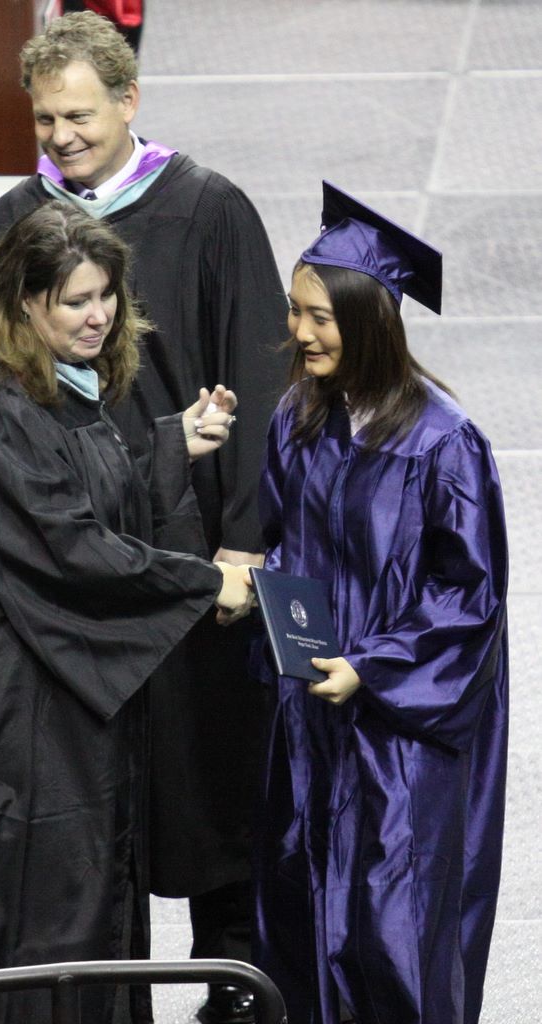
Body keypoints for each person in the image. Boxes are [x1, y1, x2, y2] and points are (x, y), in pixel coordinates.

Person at [0, 12, 289, 1022]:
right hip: (64, 548)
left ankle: (231, 973)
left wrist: (241, 540)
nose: (61, 137)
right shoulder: (13, 221)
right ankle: (108, 988)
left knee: (210, 770)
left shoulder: (207, 209)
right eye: (44, 119)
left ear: (128, 100)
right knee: (94, 791)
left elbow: (259, 380)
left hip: (187, 553)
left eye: (80, 116)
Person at [0, 201, 255, 1024]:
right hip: (0, 733)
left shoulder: (51, 393)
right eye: (76, 300)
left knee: (70, 903)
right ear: (24, 303)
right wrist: (202, 583)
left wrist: (167, 446)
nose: (98, 315)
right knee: (23, 920)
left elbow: (77, 502)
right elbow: (67, 549)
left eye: (106, 294)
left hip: (47, 706)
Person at [251, 182, 508, 1024]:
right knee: (301, 908)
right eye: (295, 311)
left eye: (319, 316)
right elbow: (285, 545)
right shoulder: (296, 418)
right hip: (310, 716)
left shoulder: (442, 443)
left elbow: (468, 598)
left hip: (400, 734)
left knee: (394, 923)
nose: (299, 332)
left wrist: (369, 667)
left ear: (369, 321)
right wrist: (256, 594)